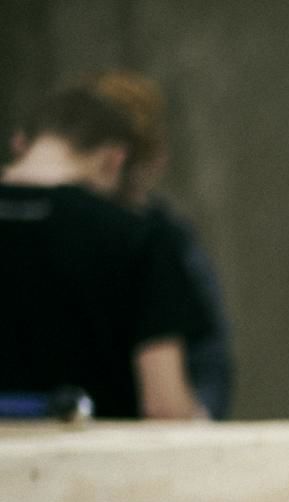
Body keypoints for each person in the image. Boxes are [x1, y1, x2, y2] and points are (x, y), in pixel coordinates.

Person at [0, 81, 207, 420]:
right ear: (114, 160)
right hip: (89, 464)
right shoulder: (140, 237)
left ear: (22, 144)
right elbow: (164, 405)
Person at [85, 69, 239, 420]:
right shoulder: (161, 237)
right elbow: (188, 391)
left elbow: (179, 394)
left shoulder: (159, 241)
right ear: (158, 156)